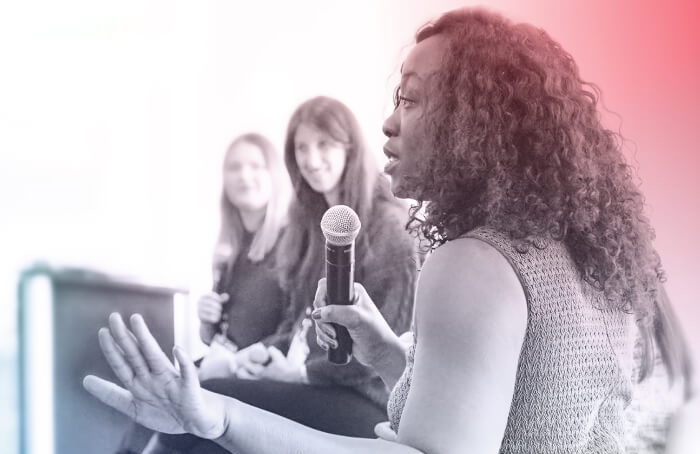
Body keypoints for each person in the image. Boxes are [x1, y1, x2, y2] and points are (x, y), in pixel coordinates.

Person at [85, 7, 695, 454]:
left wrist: (218, 414)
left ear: (474, 121)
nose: (387, 123)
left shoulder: (476, 263)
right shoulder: (576, 254)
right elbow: (506, 419)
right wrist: (384, 352)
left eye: (410, 100)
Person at [142, 96, 418, 452]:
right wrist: (254, 354)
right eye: (301, 147)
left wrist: (302, 373)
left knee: (206, 399)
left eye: (324, 144)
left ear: (350, 148)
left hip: (363, 400)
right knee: (191, 405)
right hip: (311, 382)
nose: (312, 159)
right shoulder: (312, 228)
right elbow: (297, 323)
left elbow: (387, 349)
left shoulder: (390, 231)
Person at [115, 132, 291, 453]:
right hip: (220, 367)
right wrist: (207, 323)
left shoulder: (291, 244)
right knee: (148, 403)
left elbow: (294, 329)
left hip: (255, 375)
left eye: (256, 166)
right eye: (234, 168)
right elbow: (219, 335)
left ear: (274, 176)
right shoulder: (230, 249)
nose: (244, 176)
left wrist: (235, 363)